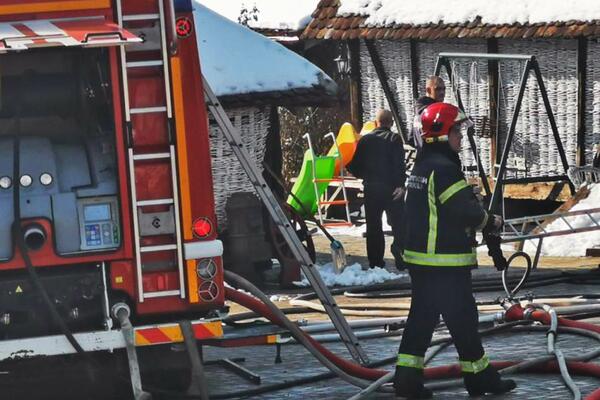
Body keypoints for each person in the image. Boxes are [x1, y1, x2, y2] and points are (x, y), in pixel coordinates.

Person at [394, 103, 516, 399]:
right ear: (440, 135)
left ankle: (408, 381)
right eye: (456, 131)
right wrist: (492, 221)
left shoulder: (422, 167)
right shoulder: (445, 169)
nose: (461, 137)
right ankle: (479, 379)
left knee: (422, 323)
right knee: (463, 321)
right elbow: (466, 213)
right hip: (445, 264)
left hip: (424, 263)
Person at [347, 109, 406, 269]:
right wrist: (401, 185)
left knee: (373, 226)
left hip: (372, 189)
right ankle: (400, 254)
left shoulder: (365, 140)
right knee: (398, 224)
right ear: (391, 123)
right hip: (392, 189)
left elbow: (354, 166)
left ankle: (375, 261)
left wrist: (365, 175)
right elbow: (400, 165)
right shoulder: (394, 139)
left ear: (375, 123)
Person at [409, 76, 446, 149]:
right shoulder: (433, 112)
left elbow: (411, 139)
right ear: (428, 90)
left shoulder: (419, 112)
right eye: (437, 89)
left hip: (424, 156)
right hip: (434, 155)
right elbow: (432, 140)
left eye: (444, 89)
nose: (442, 92)